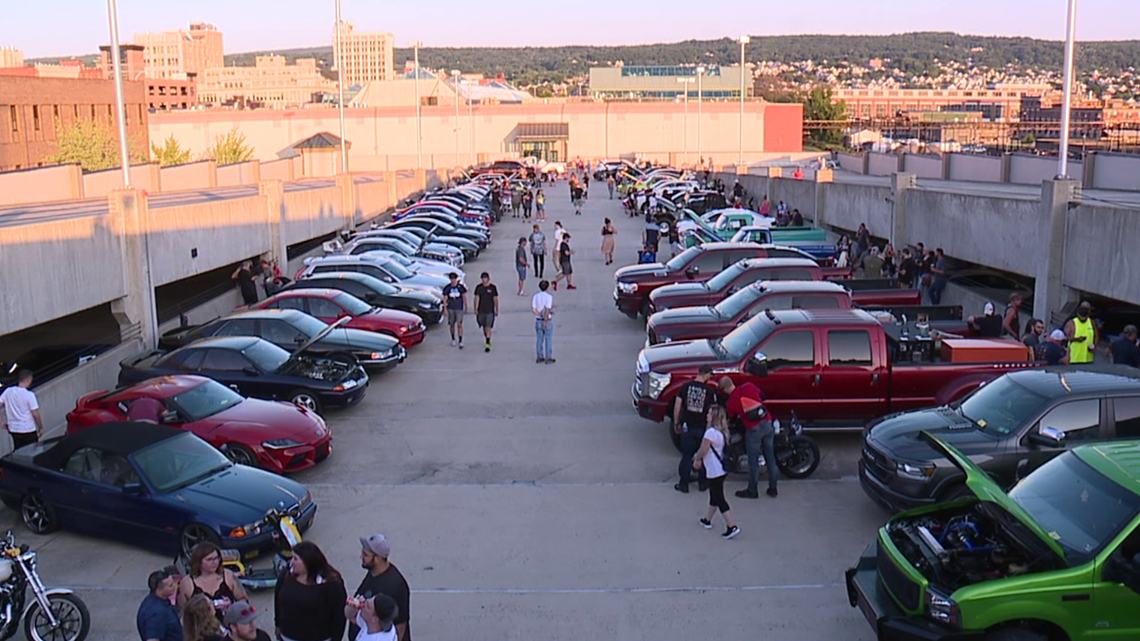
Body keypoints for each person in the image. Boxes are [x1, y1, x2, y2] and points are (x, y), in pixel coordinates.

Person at [273, 541, 347, 641]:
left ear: (308, 562)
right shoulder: (286, 574)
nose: (291, 562)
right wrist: (277, 624)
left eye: (295, 559)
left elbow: (339, 616)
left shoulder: (331, 584)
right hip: (287, 636)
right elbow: (277, 598)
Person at [719, 377, 777, 499]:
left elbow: (732, 418)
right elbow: (763, 397)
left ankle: (752, 490)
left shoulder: (731, 402)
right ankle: (773, 488)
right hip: (767, 423)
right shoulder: (749, 386)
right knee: (770, 457)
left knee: (753, 461)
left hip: (753, 430)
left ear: (724, 390)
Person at [691, 405, 741, 540]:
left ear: (714, 417)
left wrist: (697, 458)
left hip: (714, 470)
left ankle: (732, 526)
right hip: (721, 469)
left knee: (719, 498)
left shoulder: (710, 433)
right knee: (714, 495)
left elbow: (704, 449)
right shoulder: (722, 433)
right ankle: (707, 520)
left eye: (709, 413)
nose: (707, 415)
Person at [349, 535, 411, 641]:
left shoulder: (396, 585)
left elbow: (400, 626)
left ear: (377, 558)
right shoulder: (373, 573)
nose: (361, 557)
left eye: (365, 555)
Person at [673, 365, 717, 494]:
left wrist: (676, 423)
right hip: (703, 428)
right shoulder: (710, 391)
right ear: (706, 375)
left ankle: (683, 484)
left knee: (687, 456)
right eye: (710, 375)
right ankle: (702, 483)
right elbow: (714, 411)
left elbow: (677, 407)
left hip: (688, 427)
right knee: (702, 455)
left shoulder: (685, 387)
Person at [177, 542, 248, 622]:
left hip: (229, 626)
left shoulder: (228, 576)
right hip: (201, 629)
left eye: (216, 558)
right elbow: (182, 612)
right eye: (209, 559)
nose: (214, 562)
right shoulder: (187, 583)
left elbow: (243, 599)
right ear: (199, 562)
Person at [0, 369, 42, 450]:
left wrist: (1, 422)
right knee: (33, 451)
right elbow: (35, 414)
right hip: (28, 429)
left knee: (18, 451)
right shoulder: (29, 395)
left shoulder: (8, 391)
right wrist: (40, 427)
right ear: (28, 380)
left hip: (14, 429)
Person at [138, 567, 183, 641]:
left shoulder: (162, 600)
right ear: (159, 590)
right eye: (170, 585)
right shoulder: (155, 613)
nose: (174, 587)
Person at [473, 272, 499, 353]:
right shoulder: (478, 288)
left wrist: (496, 309)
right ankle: (486, 337)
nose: (484, 280)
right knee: (484, 327)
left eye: (485, 278)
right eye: (482, 278)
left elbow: (496, 299)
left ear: (488, 279)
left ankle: (487, 343)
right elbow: (476, 298)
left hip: (490, 310)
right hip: (481, 310)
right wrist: (475, 308)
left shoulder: (493, 288)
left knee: (488, 327)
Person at [441, 273, 467, 348]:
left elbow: (464, 296)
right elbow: (445, 299)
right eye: (452, 279)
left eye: (454, 279)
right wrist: (445, 308)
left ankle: (460, 340)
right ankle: (453, 338)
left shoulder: (461, 287)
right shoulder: (447, 288)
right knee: (452, 324)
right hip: (451, 308)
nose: (453, 280)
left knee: (459, 324)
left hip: (459, 308)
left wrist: (466, 305)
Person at [532, 280, 554, 364]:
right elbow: (548, 310)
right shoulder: (549, 297)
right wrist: (545, 321)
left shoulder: (535, 296)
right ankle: (548, 357)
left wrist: (539, 314)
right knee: (548, 339)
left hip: (538, 320)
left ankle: (539, 356)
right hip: (547, 320)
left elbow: (534, 309)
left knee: (539, 339)